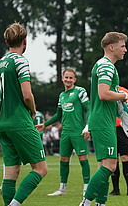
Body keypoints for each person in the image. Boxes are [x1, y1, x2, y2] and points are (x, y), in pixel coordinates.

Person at [0, 22, 47, 206]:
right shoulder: (20, 60)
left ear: (7, 41)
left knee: (11, 172)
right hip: (19, 121)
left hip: (2, 123)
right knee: (40, 168)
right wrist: (33, 111)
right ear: (25, 41)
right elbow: (26, 94)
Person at [79, 32, 128, 206]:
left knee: (105, 166)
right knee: (110, 166)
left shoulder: (104, 65)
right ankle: (85, 203)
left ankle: (101, 203)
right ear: (111, 47)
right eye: (122, 46)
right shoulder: (106, 66)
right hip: (102, 121)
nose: (125, 49)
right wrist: (123, 96)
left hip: (102, 120)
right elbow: (103, 93)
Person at [36, 68, 91, 198]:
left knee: (83, 159)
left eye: (70, 78)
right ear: (62, 78)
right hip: (65, 132)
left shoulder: (80, 91)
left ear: (75, 79)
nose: (68, 80)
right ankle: (62, 188)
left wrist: (88, 127)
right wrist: (45, 124)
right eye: (66, 77)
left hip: (79, 131)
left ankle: (86, 188)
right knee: (63, 159)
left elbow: (88, 109)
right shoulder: (62, 96)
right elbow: (58, 115)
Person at [109, 86, 128, 196]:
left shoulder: (123, 90)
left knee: (125, 157)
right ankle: (115, 190)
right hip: (109, 128)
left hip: (122, 128)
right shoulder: (103, 89)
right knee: (113, 159)